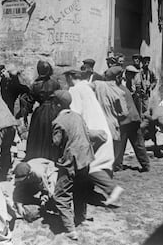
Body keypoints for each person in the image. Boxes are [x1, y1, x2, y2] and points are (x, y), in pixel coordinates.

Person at [64, 70, 123, 207]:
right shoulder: (87, 88)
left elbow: (75, 113)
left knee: (89, 166)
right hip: (103, 129)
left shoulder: (75, 90)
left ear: (70, 78)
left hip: (93, 132)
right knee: (100, 164)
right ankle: (90, 192)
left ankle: (112, 189)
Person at [51, 90, 95, 240]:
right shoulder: (78, 116)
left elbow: (56, 142)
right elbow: (87, 133)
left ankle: (70, 229)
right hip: (86, 158)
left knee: (60, 195)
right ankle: (81, 217)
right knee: (80, 189)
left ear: (58, 105)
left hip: (71, 161)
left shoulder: (59, 121)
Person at [107, 67, 150, 172]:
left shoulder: (117, 90)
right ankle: (146, 165)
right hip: (134, 119)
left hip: (126, 120)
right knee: (138, 143)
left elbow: (119, 108)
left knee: (120, 144)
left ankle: (117, 166)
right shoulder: (123, 88)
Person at [24, 60, 61, 161]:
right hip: (54, 111)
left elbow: (30, 101)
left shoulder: (35, 85)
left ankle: (37, 156)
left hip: (41, 112)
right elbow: (60, 97)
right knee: (51, 134)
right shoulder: (55, 83)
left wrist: (26, 113)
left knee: (38, 135)